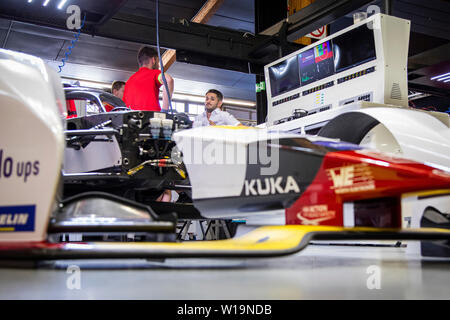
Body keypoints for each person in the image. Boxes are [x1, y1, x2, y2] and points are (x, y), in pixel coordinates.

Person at [123, 46, 174, 111]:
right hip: (152, 119)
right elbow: (168, 80)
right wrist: (165, 110)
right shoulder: (154, 73)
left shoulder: (128, 82)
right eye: (158, 62)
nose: (158, 66)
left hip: (132, 119)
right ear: (153, 60)